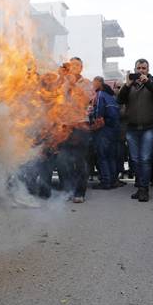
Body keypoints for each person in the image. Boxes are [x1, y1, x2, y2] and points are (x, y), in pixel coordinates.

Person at [117, 58, 153, 202]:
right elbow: (119, 100)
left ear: (148, 70)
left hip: (148, 128)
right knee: (135, 160)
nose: (141, 71)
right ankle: (140, 187)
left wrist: (148, 83)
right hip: (132, 128)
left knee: (145, 159)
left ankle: (144, 189)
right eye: (138, 68)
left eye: (143, 68)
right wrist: (126, 85)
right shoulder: (129, 84)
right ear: (134, 69)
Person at [57, 57, 92, 203]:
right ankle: (67, 191)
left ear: (82, 68)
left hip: (80, 125)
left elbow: (87, 100)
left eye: (77, 65)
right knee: (62, 160)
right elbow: (57, 101)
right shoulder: (62, 82)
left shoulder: (87, 83)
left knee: (79, 160)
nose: (74, 67)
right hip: (65, 126)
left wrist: (73, 85)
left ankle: (79, 192)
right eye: (72, 65)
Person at [90, 76, 121, 189]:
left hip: (104, 129)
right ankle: (113, 180)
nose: (92, 85)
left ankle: (106, 181)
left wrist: (93, 125)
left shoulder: (100, 95)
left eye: (94, 82)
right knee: (111, 156)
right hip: (114, 129)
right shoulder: (111, 96)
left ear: (99, 83)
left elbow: (99, 113)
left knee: (102, 156)